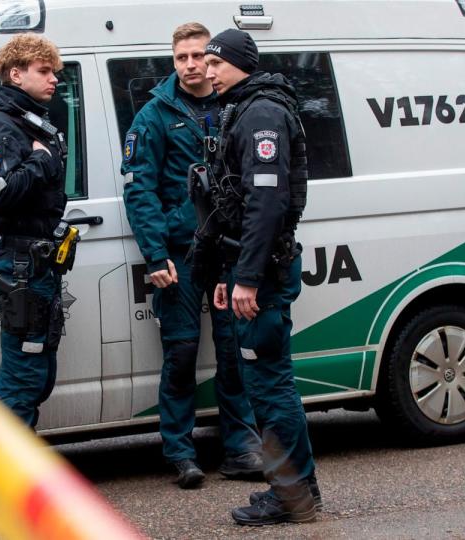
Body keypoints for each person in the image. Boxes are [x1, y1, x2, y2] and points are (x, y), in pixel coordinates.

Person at [121, 22, 263, 489]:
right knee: (180, 355)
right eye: (180, 57)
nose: (189, 65)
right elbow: (140, 190)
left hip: (227, 252)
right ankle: (181, 452)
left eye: (198, 55)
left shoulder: (234, 105)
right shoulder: (155, 115)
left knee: (233, 352)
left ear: (212, 58)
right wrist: (155, 254)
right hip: (179, 256)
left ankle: (242, 447)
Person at [193, 28, 322, 525]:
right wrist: (232, 271)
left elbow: (265, 204)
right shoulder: (247, 108)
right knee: (272, 382)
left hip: (263, 274)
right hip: (252, 269)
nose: (207, 70)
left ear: (239, 64)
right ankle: (297, 490)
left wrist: (246, 277)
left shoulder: (262, 113)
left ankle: (291, 497)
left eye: (215, 62)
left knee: (269, 385)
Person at [0, 33, 72, 428]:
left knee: (37, 371)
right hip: (19, 263)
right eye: (44, 71)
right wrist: (42, 163)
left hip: (36, 260)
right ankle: (9, 479)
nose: (54, 80)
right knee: (23, 375)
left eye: (54, 72)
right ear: (16, 74)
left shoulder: (24, 118)